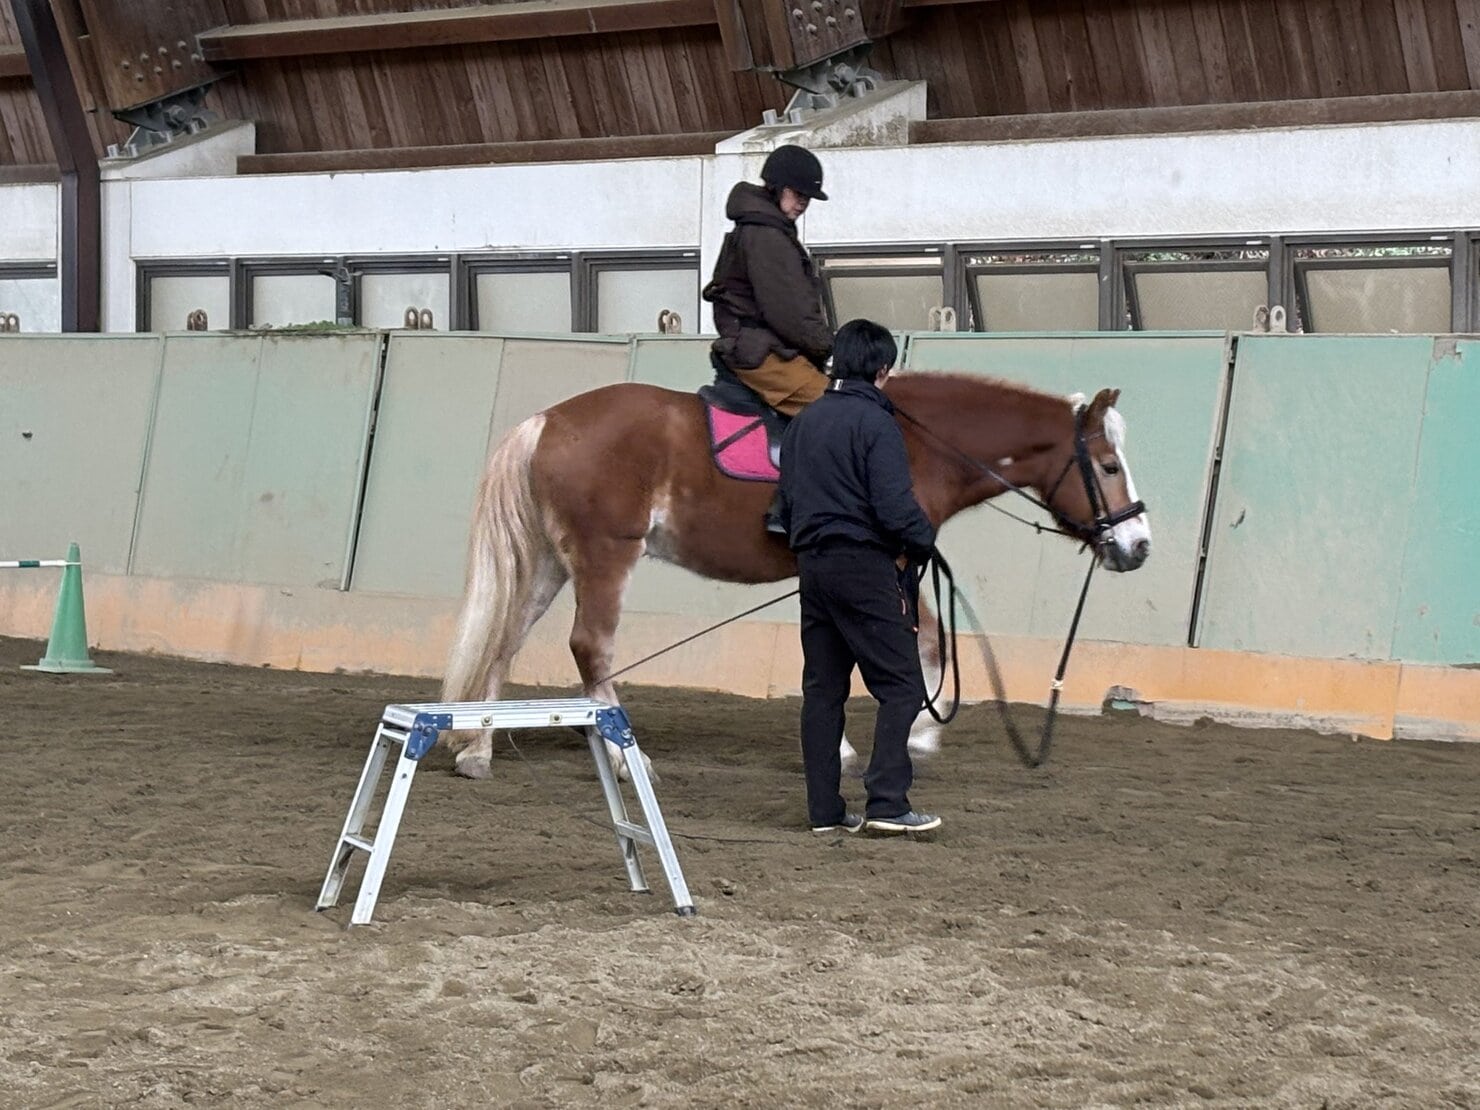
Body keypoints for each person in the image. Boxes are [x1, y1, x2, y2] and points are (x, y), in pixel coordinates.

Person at [776, 318, 942, 835]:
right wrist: (923, 540)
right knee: (902, 684)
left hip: (812, 567)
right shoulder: (877, 425)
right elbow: (894, 508)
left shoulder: (803, 423)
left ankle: (824, 811)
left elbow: (785, 501)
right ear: (882, 369)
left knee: (823, 690)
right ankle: (888, 803)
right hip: (863, 566)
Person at [703, 144, 834, 417]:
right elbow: (789, 313)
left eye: (808, 198)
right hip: (762, 352)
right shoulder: (767, 236)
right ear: (777, 188)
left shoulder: (765, 230)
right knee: (840, 412)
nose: (803, 203)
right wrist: (831, 348)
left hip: (766, 345)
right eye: (798, 194)